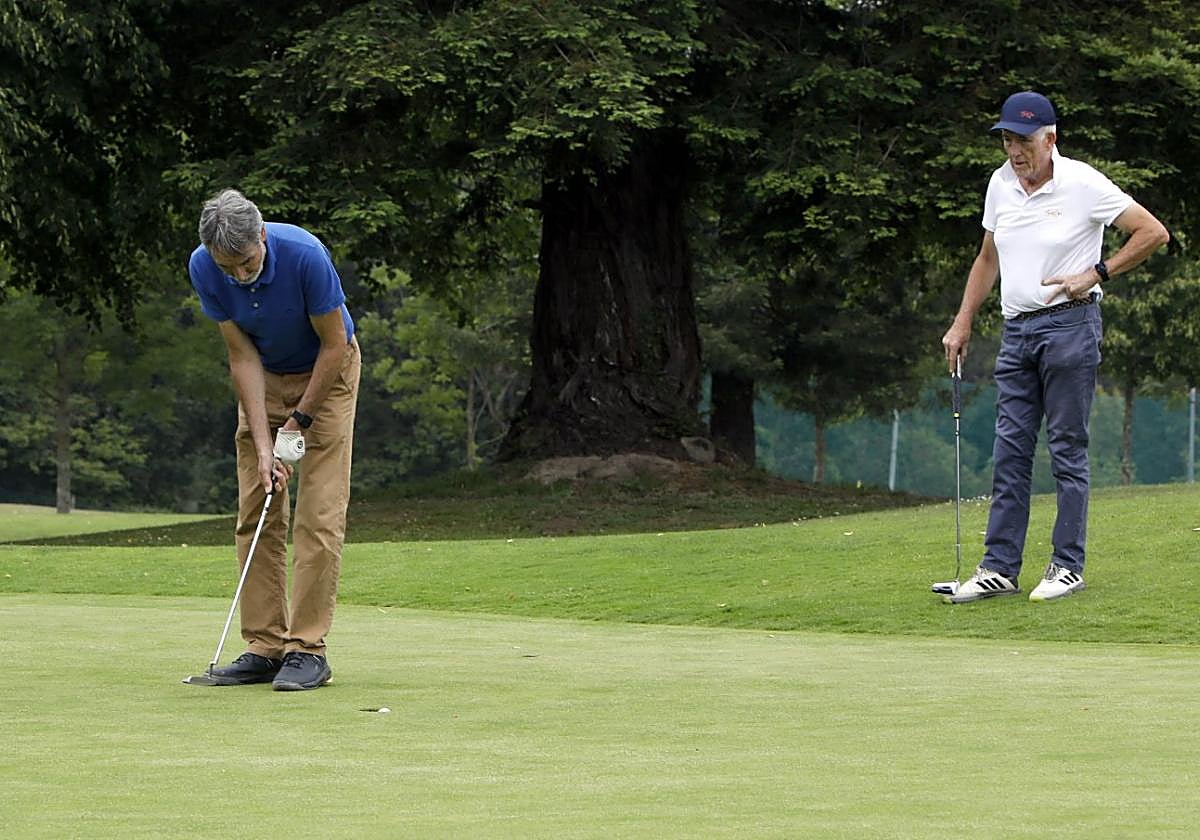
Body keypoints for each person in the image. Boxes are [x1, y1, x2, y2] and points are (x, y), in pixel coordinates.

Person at [941, 91, 1168, 604]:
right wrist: (963, 320)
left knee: (1067, 449)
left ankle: (1067, 565)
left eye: (1022, 141)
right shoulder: (1000, 184)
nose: (1014, 151)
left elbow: (1152, 232)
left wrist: (1096, 272)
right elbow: (986, 259)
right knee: (1010, 452)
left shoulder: (1083, 183)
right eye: (1006, 140)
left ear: (1050, 139)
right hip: (1016, 332)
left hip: (1070, 326)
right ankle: (999, 567)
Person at [188, 189, 361, 687]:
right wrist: (266, 447)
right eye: (229, 269)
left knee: (318, 514)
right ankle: (265, 646)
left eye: (246, 263)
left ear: (261, 237)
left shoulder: (305, 255)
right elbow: (241, 356)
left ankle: (307, 649)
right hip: (263, 376)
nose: (239, 276)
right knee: (257, 505)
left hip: (327, 375)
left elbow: (334, 345)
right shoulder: (204, 266)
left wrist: (297, 423)